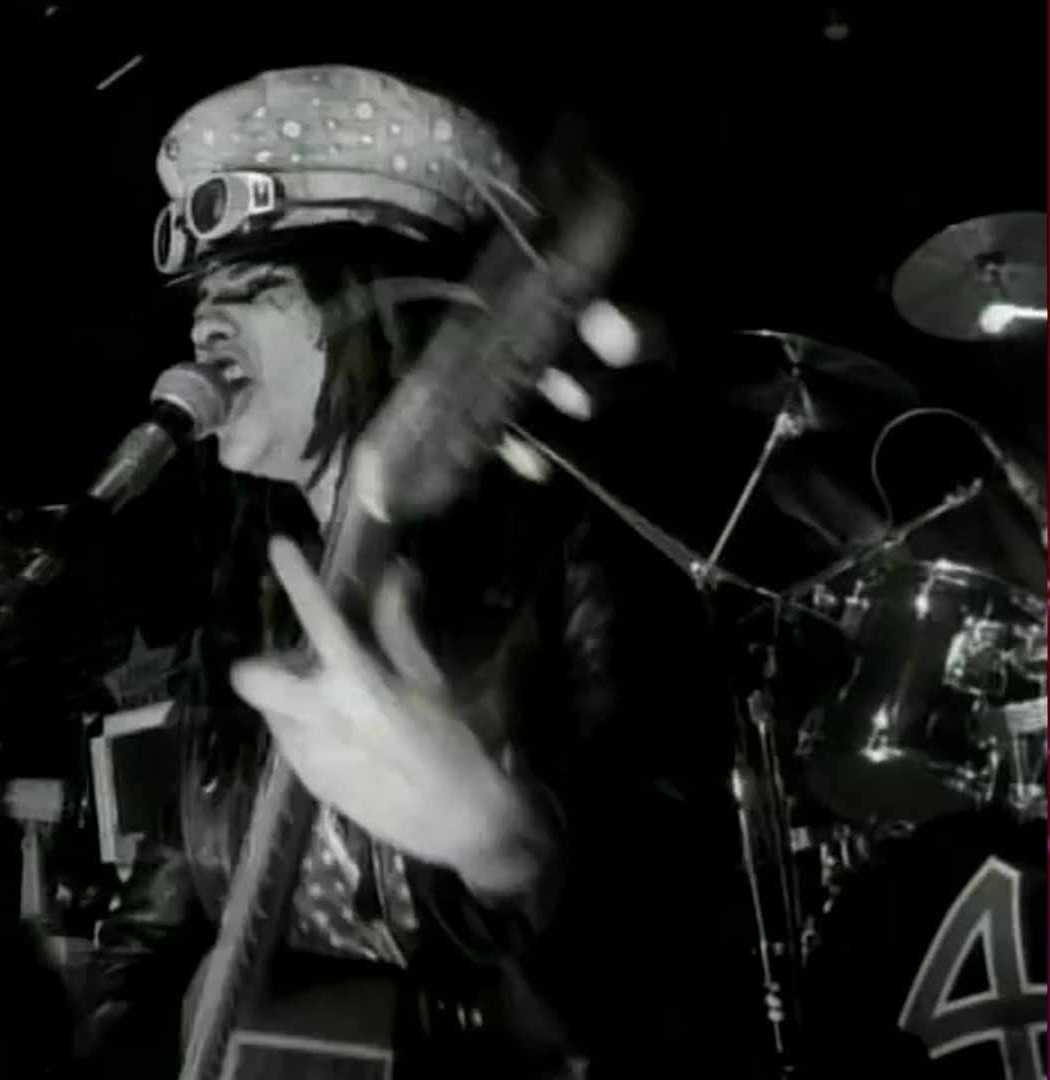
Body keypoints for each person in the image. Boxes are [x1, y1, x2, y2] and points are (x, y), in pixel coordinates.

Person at [67, 65, 756, 1078]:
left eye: (257, 286)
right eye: (202, 298)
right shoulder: (248, 592)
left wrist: (507, 850)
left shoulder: (570, 544)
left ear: (373, 312)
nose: (206, 325)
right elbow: (159, 915)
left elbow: (678, 928)